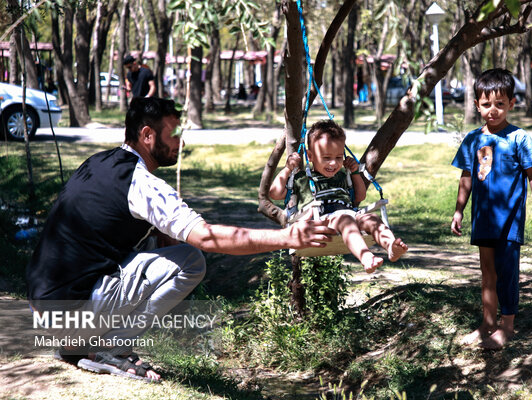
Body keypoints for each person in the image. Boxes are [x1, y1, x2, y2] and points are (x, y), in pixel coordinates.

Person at [26, 97, 336, 382]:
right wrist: (286, 236)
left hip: (45, 307)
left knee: (158, 246)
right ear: (148, 135)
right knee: (190, 260)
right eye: (174, 134)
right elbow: (207, 238)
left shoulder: (99, 162)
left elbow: (158, 237)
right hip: (73, 311)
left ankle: (77, 343)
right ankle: (108, 349)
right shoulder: (143, 184)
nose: (180, 141)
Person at [450, 68, 532, 350]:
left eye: (500, 104)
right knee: (487, 272)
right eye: (486, 104)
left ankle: (507, 326)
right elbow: (466, 177)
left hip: (510, 221)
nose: (493, 110)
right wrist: (458, 210)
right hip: (483, 219)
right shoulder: (472, 140)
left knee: (507, 271)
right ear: (477, 104)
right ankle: (487, 323)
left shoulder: (518, 138)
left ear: (511, 104)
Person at [269, 119, 408, 274]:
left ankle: (390, 246)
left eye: (339, 157)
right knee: (346, 220)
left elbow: (359, 197)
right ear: (310, 156)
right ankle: (366, 257)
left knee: (372, 219)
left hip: (348, 215)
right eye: (327, 158)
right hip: (320, 222)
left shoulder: (342, 176)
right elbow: (274, 193)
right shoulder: (302, 178)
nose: (334, 163)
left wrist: (355, 173)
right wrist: (288, 169)